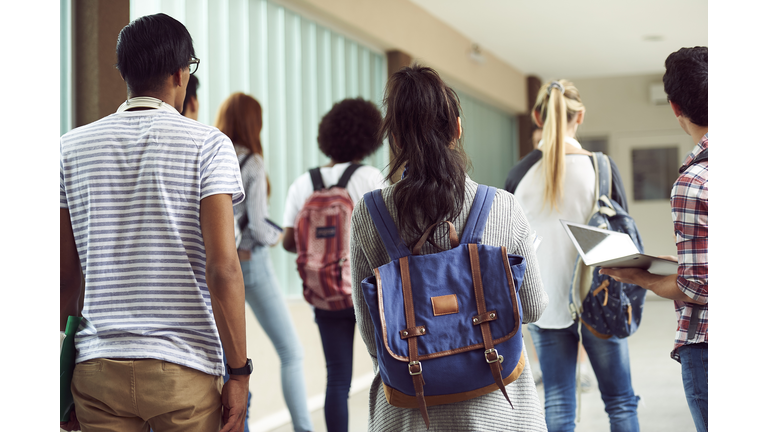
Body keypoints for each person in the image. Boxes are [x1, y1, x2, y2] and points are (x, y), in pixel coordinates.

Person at [60, 13, 250, 432]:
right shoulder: (209, 144)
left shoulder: (69, 148)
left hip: (96, 371)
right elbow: (223, 269)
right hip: (182, 372)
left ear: (125, 73)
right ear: (180, 73)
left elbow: (65, 279)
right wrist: (239, 372)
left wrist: (60, 377)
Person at [349, 65, 548, 431]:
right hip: (498, 405)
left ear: (395, 138)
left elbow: (373, 335)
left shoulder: (370, 212)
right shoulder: (502, 205)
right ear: (457, 127)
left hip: (410, 408)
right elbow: (533, 307)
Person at [505, 79, 640, 432]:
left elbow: (507, 244)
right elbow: (623, 238)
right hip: (600, 298)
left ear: (537, 116)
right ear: (579, 116)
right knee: (621, 402)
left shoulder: (518, 175)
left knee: (558, 402)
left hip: (542, 303)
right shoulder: (601, 167)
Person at [600, 46, 708, 432]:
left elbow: (698, 286)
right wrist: (678, 262)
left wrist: (640, 277)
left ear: (675, 107)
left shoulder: (694, 182)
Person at [282, 97, 386, 432]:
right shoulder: (370, 178)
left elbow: (287, 241)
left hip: (325, 293)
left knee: (337, 379)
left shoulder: (304, 183)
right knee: (385, 372)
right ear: (368, 136)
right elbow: (388, 235)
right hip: (369, 293)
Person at [214, 92, 314, 432]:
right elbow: (258, 225)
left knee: (224, 361)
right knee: (291, 351)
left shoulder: (213, 155)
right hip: (250, 264)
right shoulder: (252, 162)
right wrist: (288, 236)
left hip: (215, 265)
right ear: (252, 123)